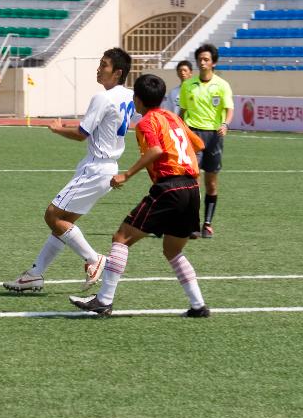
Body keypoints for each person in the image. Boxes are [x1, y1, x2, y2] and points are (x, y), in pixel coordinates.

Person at [69, 72, 209, 318]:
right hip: (192, 188)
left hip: (170, 187)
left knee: (121, 237)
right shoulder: (173, 117)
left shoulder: (147, 122)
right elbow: (199, 145)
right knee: (172, 251)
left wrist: (127, 174)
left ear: (138, 100)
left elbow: (155, 149)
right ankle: (198, 305)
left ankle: (103, 300)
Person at [3, 48, 135, 294]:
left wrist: (56, 129)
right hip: (107, 167)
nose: (99, 68)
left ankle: (95, 260)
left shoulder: (102, 98)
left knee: (52, 216)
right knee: (62, 225)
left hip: (96, 167)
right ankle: (34, 274)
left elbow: (80, 134)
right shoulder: (129, 96)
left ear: (117, 72)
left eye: (104, 65)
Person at [177, 43, 234, 237]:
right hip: (193, 135)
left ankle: (207, 223)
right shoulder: (187, 85)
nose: (202, 63)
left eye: (206, 60)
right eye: (200, 59)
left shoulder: (222, 85)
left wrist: (225, 124)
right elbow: (182, 111)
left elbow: (229, 109)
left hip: (214, 137)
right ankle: (193, 224)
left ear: (214, 63)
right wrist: (179, 127)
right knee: (193, 181)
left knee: (211, 182)